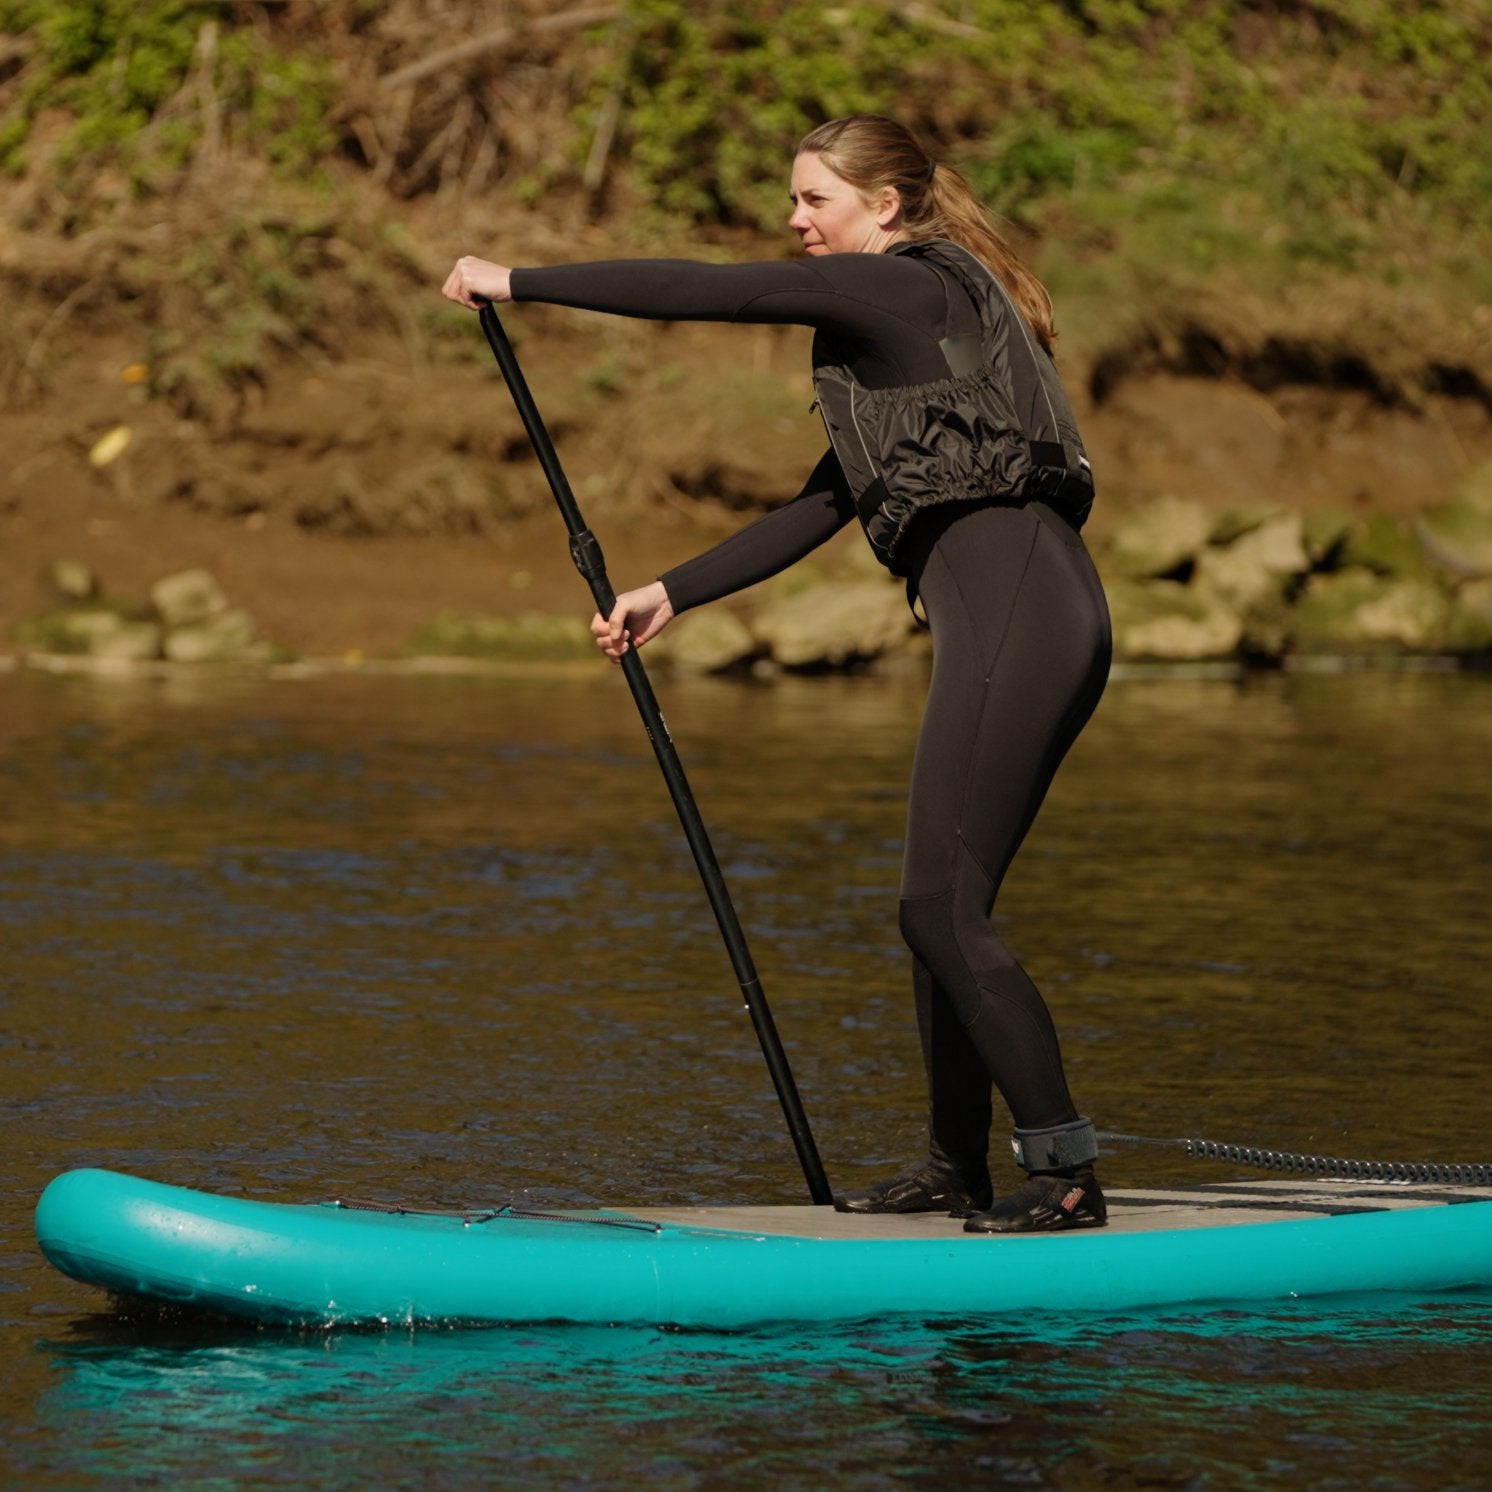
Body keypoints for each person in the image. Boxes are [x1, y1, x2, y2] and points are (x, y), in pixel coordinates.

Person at [442, 114, 1111, 1234]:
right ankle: (955, 1168)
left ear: (883, 207)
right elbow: (823, 500)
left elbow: (720, 291)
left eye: (815, 201)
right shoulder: (902, 341)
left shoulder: (903, 288)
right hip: (1022, 621)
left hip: (1021, 620)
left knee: (939, 910)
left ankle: (1068, 1171)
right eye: (794, 201)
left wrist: (517, 279)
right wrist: (673, 590)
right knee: (939, 911)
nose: (795, 222)